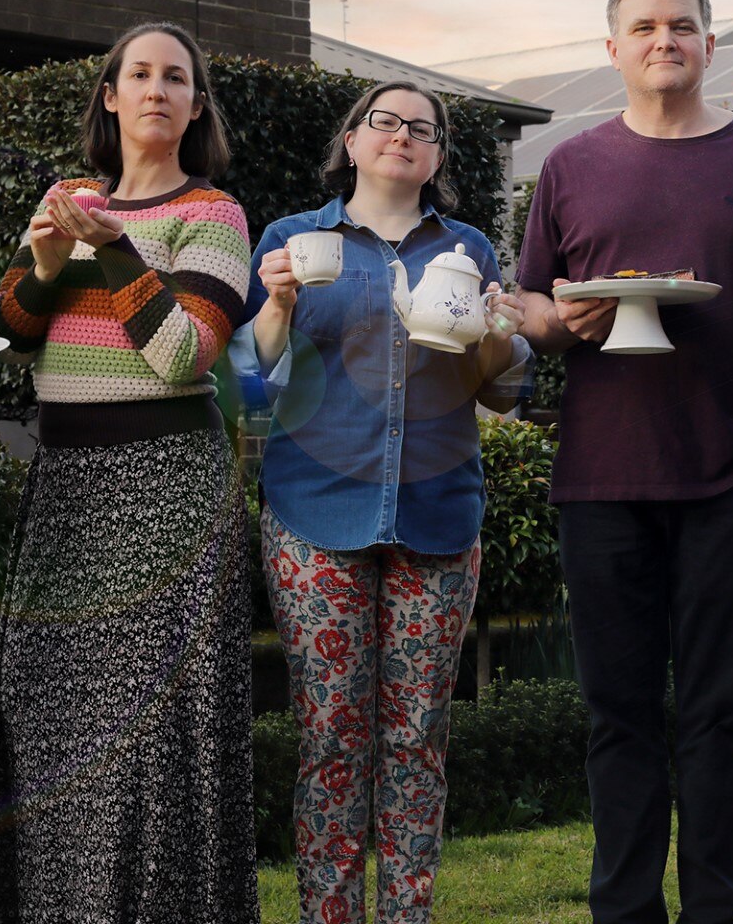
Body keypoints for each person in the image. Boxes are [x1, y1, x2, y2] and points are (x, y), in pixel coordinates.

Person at [516, 0, 733, 924]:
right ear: (614, 50)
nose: (663, 41)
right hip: (601, 477)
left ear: (710, 44)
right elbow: (535, 308)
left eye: (682, 25)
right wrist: (567, 321)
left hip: (732, 473)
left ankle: (714, 911)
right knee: (620, 719)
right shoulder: (571, 165)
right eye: (642, 27)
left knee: (719, 718)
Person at [0, 20, 257, 922]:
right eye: (140, 74)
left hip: (167, 488)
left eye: (177, 78)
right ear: (110, 94)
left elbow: (182, 355)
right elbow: (9, 332)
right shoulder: (67, 201)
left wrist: (112, 245)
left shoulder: (214, 216)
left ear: (195, 106)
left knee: (150, 742)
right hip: (66, 491)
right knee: (50, 722)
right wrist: (50, 253)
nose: (157, 90)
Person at [231, 80, 530, 923]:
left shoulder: (469, 248)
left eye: (422, 129)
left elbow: (501, 394)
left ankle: (408, 916)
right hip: (314, 516)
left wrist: (501, 337)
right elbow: (255, 390)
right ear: (353, 141)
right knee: (331, 737)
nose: (403, 136)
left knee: (416, 742)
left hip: (437, 515)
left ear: (436, 157)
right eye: (385, 122)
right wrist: (278, 306)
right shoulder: (292, 240)